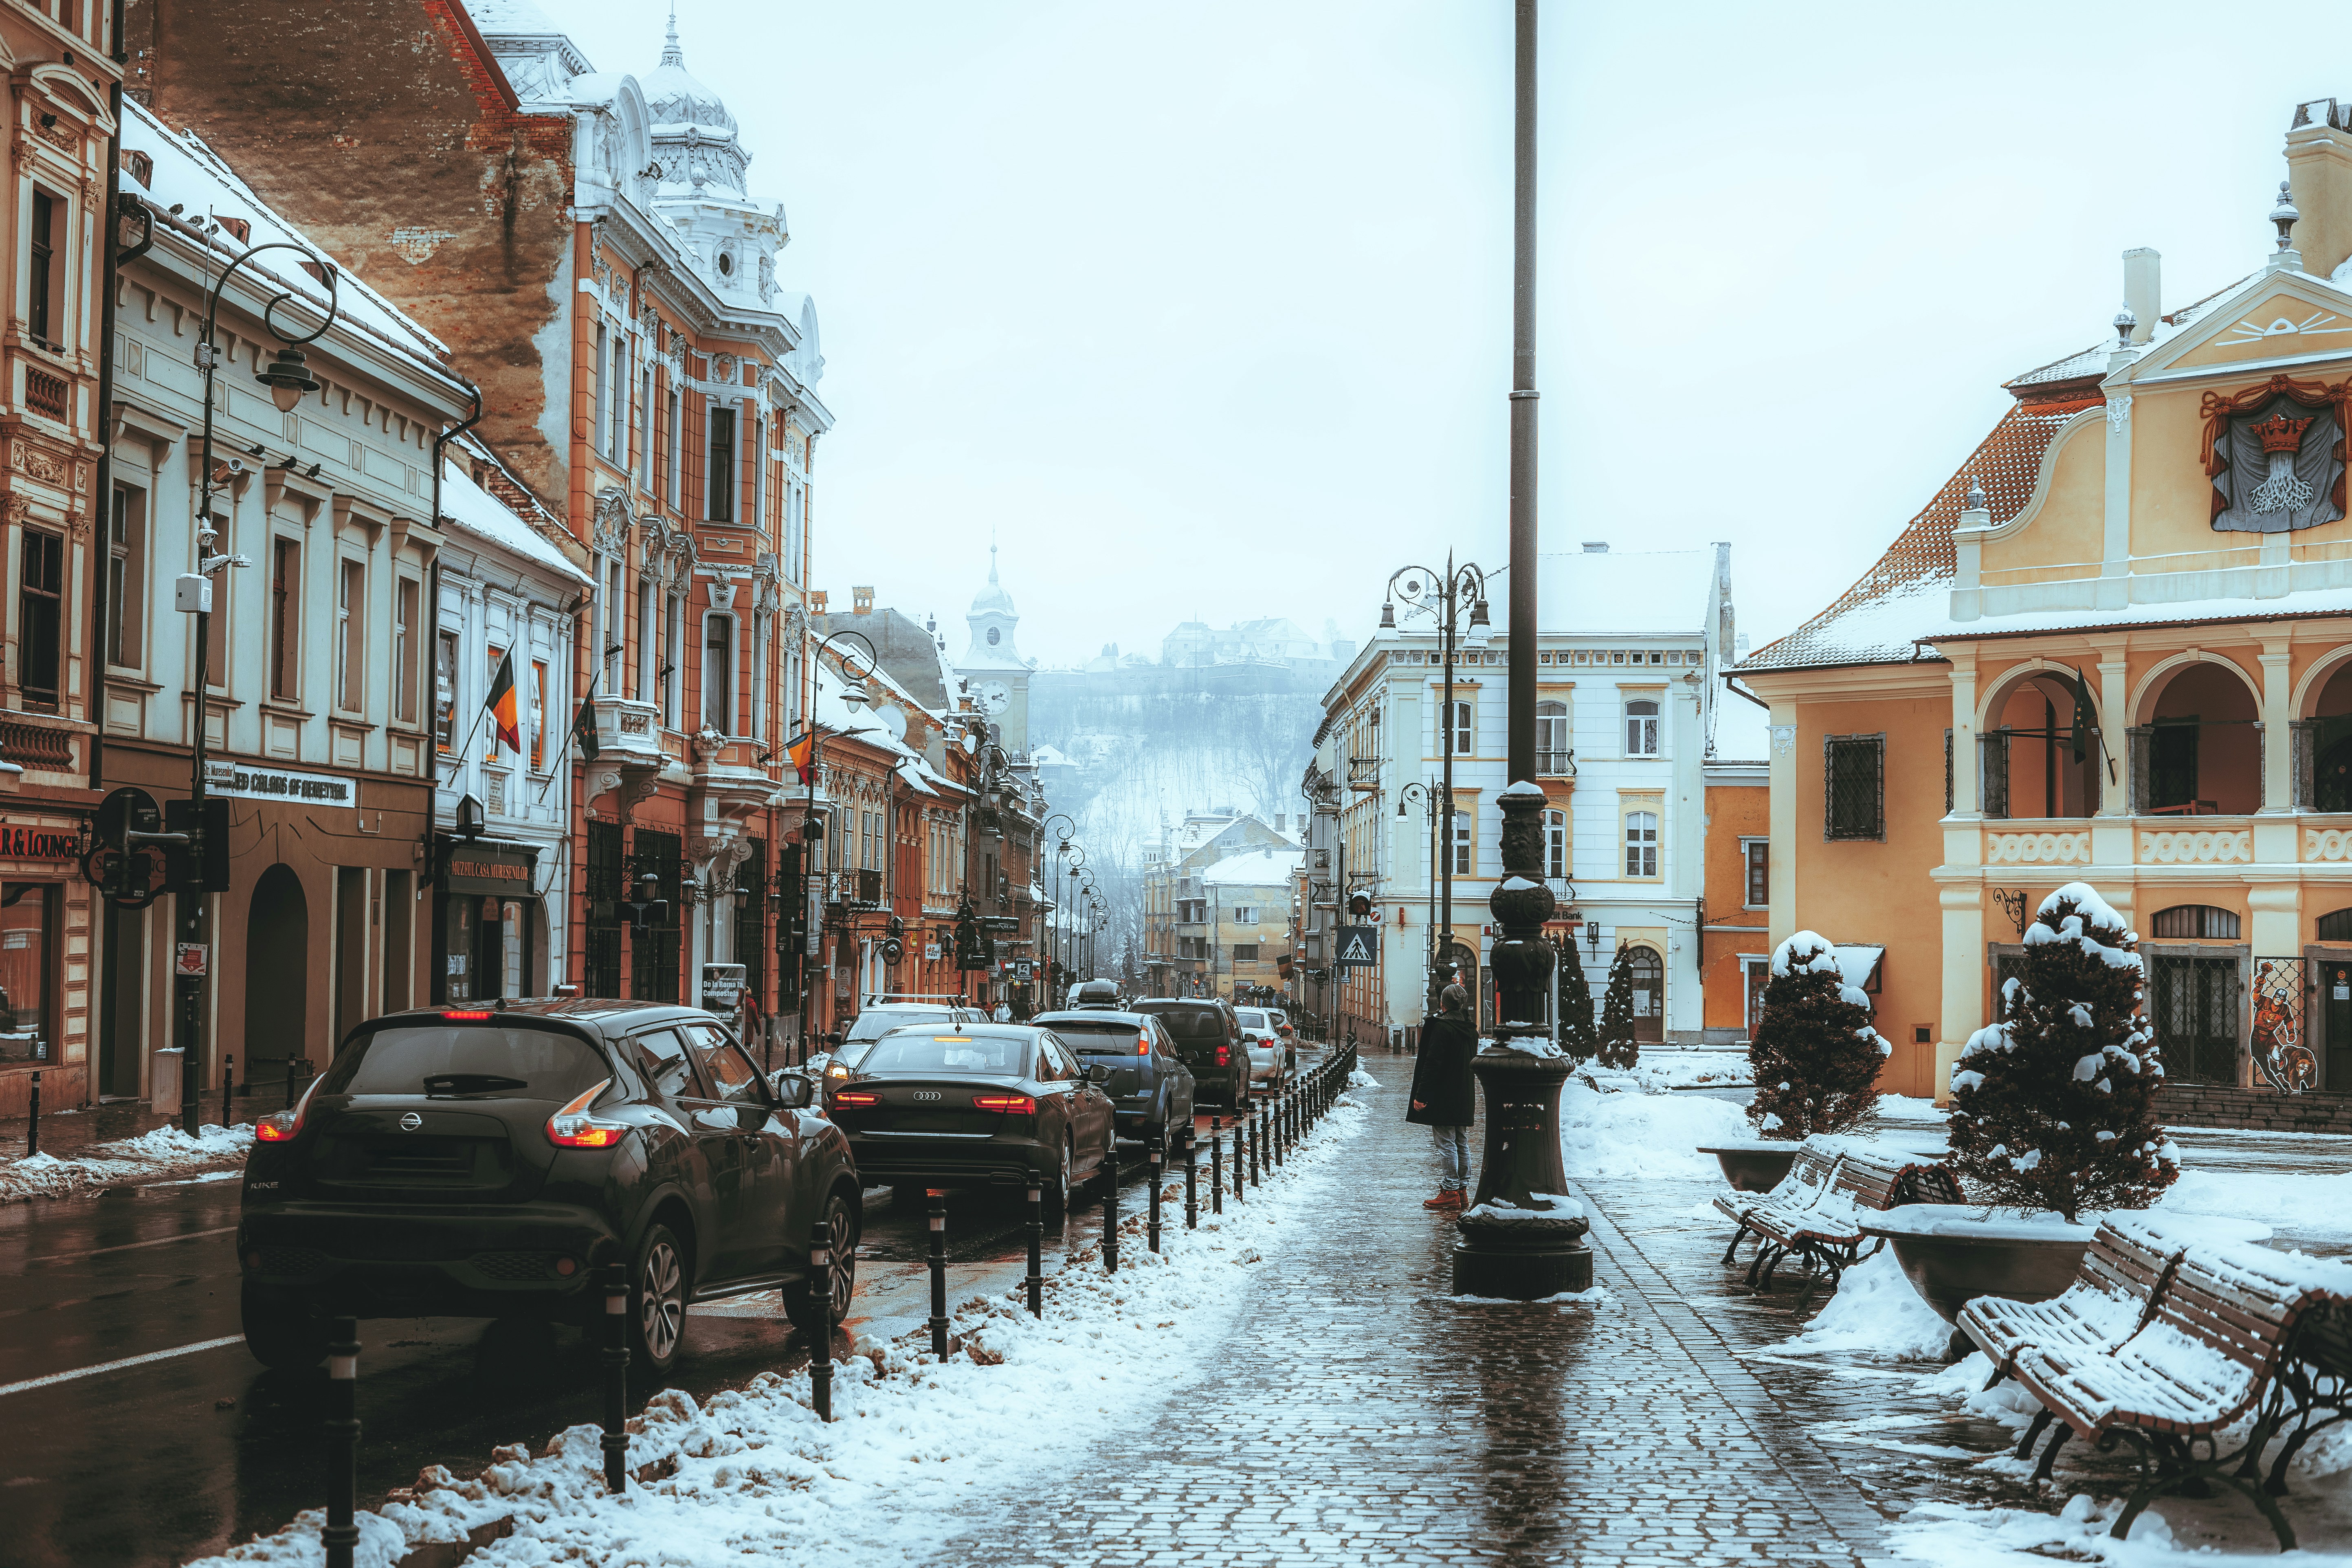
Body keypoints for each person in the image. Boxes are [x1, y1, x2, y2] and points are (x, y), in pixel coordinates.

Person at [1406, 983, 1477, 1211]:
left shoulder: (1442, 1028)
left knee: (1446, 1144)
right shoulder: (1470, 1029)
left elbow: (1432, 1064)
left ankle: (1450, 1191)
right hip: (1464, 1094)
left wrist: (1422, 1095)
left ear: (1442, 1003)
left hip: (1444, 1095)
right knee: (1461, 1142)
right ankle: (1463, 1190)